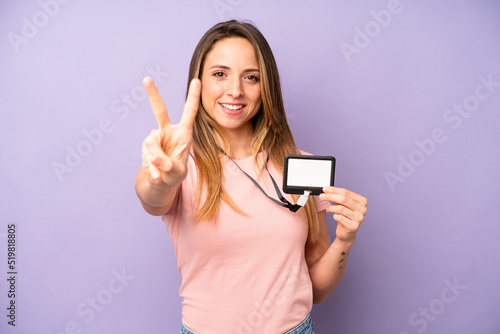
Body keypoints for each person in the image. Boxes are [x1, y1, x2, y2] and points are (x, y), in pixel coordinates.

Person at [135, 20, 367, 334]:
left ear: (266, 86)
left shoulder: (300, 165)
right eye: (220, 74)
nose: (235, 90)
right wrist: (161, 179)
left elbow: (317, 290)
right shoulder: (176, 164)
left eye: (251, 77)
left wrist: (345, 239)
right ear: (198, 82)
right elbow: (151, 197)